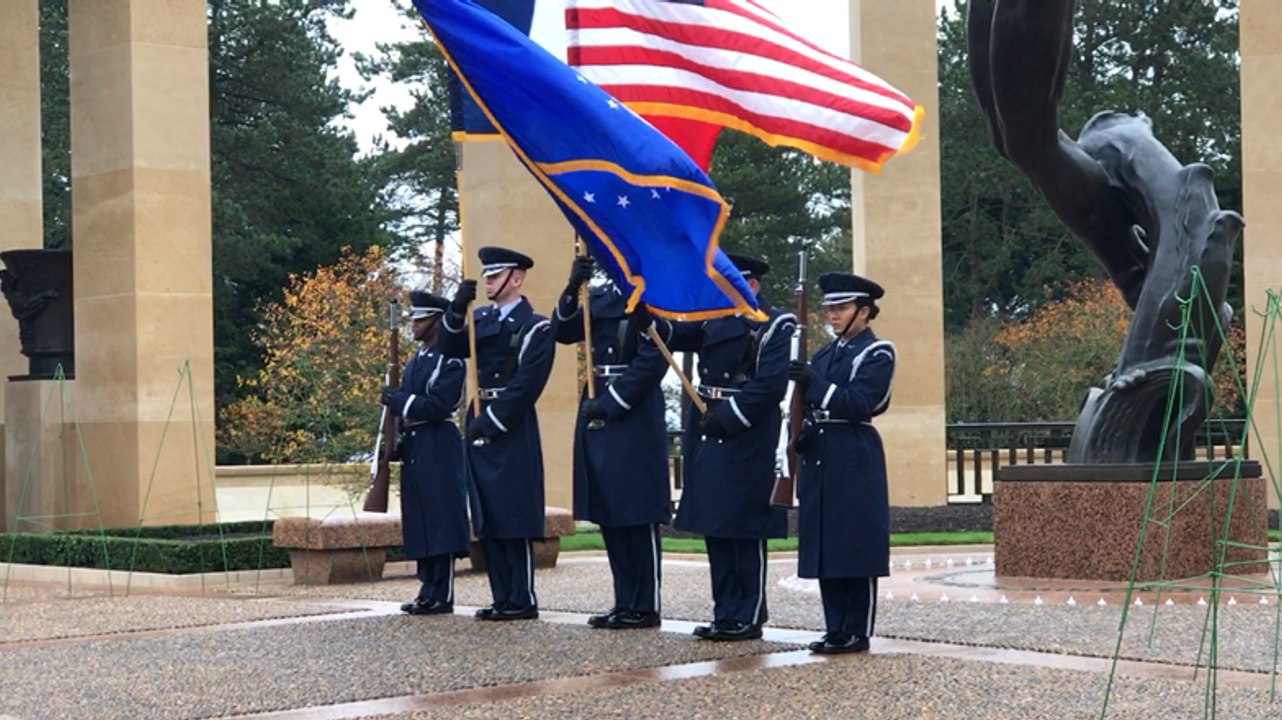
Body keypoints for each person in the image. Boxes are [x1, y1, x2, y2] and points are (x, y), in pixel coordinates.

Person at [662, 252, 794, 641]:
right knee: (716, 526)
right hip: (709, 422)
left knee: (745, 526)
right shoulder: (716, 320)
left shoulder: (774, 325)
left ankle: (748, 613)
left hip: (747, 431)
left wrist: (731, 415)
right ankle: (725, 612)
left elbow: (769, 386)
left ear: (749, 285)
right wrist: (649, 320)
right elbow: (679, 334)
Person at [553, 255, 670, 630]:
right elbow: (563, 330)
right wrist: (572, 288)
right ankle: (624, 600)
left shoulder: (655, 300)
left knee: (636, 512)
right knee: (610, 511)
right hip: (597, 401)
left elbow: (654, 360)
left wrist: (612, 403)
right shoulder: (601, 299)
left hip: (632, 412)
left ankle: (645, 604)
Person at [440, 246, 555, 621]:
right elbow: (449, 346)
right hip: (480, 416)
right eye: (486, 276)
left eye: (496, 276)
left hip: (510, 424)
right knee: (488, 514)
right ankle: (501, 595)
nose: (488, 281)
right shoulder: (481, 320)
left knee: (513, 513)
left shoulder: (535, 325)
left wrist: (491, 422)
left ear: (516, 278)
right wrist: (456, 310)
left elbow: (527, 384)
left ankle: (521, 597)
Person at [787, 271, 894, 654]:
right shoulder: (824, 354)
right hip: (821, 451)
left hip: (853, 451)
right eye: (829, 308)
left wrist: (814, 383)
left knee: (854, 541)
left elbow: (860, 403)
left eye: (841, 308)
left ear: (864, 312)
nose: (832, 315)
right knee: (825, 544)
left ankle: (856, 629)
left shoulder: (878, 353)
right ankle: (835, 626)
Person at [380, 290, 470, 616]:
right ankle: (426, 587)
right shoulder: (417, 358)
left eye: (419, 319)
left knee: (440, 518)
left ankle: (441, 592)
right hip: (417, 440)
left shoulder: (451, 359)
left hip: (438, 440)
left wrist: (399, 401)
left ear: (436, 321)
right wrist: (395, 442)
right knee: (420, 518)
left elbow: (439, 404)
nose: (413, 324)